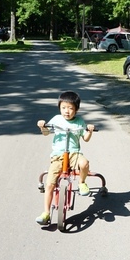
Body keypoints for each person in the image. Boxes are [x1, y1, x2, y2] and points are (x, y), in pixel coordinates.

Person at [36, 91, 95, 225]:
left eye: (70, 108)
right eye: (63, 108)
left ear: (76, 109)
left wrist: (89, 131)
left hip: (74, 153)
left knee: (84, 163)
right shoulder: (57, 119)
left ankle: (82, 183)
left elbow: (85, 138)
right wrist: (42, 126)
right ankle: (45, 213)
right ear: (59, 108)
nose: (67, 111)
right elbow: (46, 132)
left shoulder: (80, 121)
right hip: (58, 156)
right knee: (50, 184)